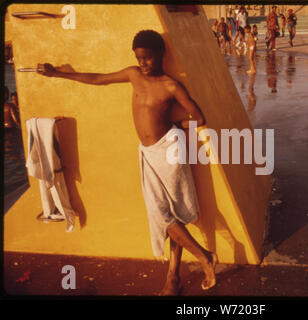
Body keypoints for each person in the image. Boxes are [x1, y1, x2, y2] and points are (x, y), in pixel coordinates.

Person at [37, 30, 218, 296]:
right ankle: (177, 276)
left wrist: (178, 123)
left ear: (160, 55)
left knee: (168, 214)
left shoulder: (171, 86)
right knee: (165, 214)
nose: (143, 63)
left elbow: (199, 117)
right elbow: (99, 79)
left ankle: (198, 262)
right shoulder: (134, 75)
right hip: (147, 153)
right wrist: (58, 74)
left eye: (148, 58)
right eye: (139, 58)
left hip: (170, 151)